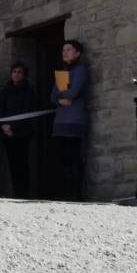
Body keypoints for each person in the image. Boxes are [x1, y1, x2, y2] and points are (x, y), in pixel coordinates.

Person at [50, 40, 89, 201]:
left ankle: (77, 193)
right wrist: (60, 99)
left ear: (77, 53)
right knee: (63, 158)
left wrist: (60, 95)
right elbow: (52, 96)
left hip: (75, 119)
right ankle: (67, 192)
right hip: (60, 121)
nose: (65, 52)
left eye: (68, 49)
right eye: (63, 50)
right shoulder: (62, 72)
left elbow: (73, 92)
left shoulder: (80, 70)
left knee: (74, 156)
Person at [0, 61, 36, 198]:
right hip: (7, 133)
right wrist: (4, 126)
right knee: (12, 163)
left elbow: (28, 111)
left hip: (23, 132)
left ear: (24, 75)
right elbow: (0, 110)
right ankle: (16, 193)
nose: (16, 74)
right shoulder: (5, 91)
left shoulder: (29, 91)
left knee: (23, 163)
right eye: (14, 72)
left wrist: (13, 127)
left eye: (19, 72)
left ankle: (24, 193)